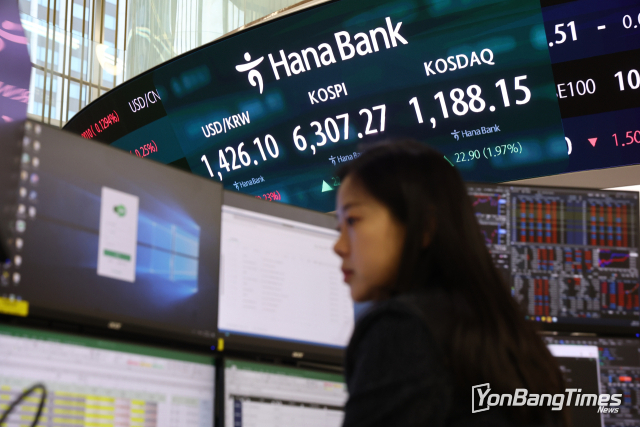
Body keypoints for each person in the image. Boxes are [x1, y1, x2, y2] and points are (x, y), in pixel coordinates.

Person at [333, 141, 569, 426]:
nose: (338, 246)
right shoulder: (513, 342)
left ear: (424, 226)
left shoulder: (403, 327)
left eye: (353, 220)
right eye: (338, 228)